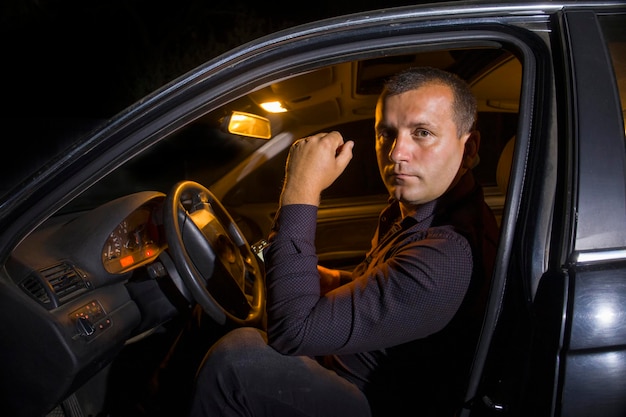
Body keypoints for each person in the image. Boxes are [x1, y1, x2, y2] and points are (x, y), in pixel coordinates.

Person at [187, 66, 499, 416]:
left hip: (373, 401)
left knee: (238, 361)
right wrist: (333, 279)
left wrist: (301, 189)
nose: (397, 152)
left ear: (469, 147)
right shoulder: (416, 210)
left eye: (422, 133)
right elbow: (386, 288)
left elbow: (294, 332)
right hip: (348, 367)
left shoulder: (448, 253)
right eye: (387, 134)